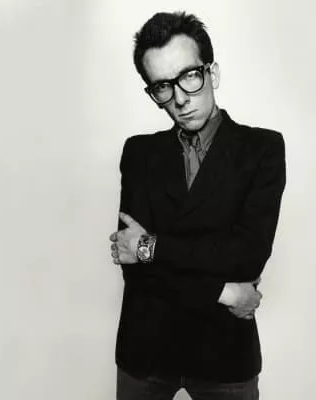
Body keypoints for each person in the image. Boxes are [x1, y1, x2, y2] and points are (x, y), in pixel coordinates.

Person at [109, 11, 286, 400]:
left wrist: (151, 246)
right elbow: (135, 271)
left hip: (225, 355)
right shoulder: (139, 153)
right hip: (147, 353)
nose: (179, 98)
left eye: (189, 76)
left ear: (212, 73)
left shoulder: (263, 149)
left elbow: (247, 257)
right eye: (162, 86)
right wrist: (224, 292)